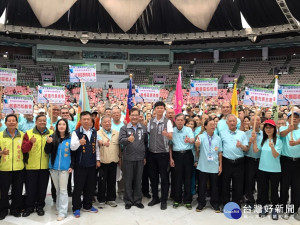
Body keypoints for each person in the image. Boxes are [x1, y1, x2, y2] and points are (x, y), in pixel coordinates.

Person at [21, 115, 53, 217]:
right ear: (36, 122)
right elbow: (24, 149)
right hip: (31, 166)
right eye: (40, 121)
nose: (42, 122)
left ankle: (40, 207)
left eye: (44, 121)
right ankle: (29, 207)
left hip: (45, 166)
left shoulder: (51, 134)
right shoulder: (29, 133)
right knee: (30, 188)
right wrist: (30, 142)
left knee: (42, 188)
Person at [70, 111, 100, 218]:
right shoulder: (76, 133)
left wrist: (97, 159)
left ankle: (87, 205)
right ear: (81, 120)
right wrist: (79, 143)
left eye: (88, 119)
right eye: (84, 119)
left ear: (91, 120)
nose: (86, 121)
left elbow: (96, 148)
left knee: (90, 187)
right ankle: (76, 208)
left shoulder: (94, 132)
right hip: (80, 165)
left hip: (92, 164)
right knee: (78, 188)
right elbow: (72, 147)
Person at [252, 119, 282, 220]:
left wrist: (272, 147)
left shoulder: (278, 140)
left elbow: (276, 155)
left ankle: (275, 209)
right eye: (266, 128)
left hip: (275, 170)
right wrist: (254, 141)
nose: (268, 130)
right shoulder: (263, 140)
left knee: (274, 191)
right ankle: (264, 207)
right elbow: (256, 151)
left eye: (270, 128)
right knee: (262, 190)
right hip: (262, 169)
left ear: (274, 129)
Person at [44, 119, 73, 221]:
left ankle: (62, 212)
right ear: (57, 126)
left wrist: (72, 166)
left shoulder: (70, 138)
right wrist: (48, 143)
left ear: (66, 126)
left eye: (63, 124)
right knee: (58, 190)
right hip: (53, 168)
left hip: (65, 169)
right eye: (59, 124)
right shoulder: (52, 137)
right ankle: (59, 208)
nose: (61, 126)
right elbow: (47, 151)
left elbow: (73, 154)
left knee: (64, 190)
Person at [119, 108, 148, 209]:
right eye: (133, 115)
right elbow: (121, 140)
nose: (135, 117)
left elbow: (145, 143)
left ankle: (137, 200)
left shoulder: (143, 128)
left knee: (138, 180)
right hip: (128, 158)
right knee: (128, 180)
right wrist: (128, 139)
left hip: (140, 158)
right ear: (129, 116)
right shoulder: (124, 128)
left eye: (137, 115)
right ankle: (128, 200)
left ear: (140, 116)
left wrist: (144, 156)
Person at [147, 101, 173, 210]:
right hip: (152, 153)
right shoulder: (150, 121)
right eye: (157, 108)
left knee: (164, 178)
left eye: (161, 108)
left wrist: (166, 134)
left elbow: (171, 137)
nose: (159, 110)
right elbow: (148, 134)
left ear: (164, 109)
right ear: (154, 110)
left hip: (163, 154)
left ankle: (163, 200)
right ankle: (155, 198)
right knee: (153, 177)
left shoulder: (168, 122)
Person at [220, 114, 248, 207]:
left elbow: (246, 149)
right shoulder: (222, 133)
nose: (232, 123)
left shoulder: (242, 134)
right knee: (225, 184)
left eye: (234, 121)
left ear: (237, 123)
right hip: (226, 161)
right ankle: (225, 203)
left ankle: (236, 203)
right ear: (227, 122)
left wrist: (241, 146)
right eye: (230, 121)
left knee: (238, 184)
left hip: (239, 162)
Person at [195, 117, 222, 212]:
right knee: (202, 186)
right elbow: (197, 150)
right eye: (210, 124)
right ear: (205, 126)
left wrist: (220, 165)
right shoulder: (201, 137)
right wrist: (197, 146)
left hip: (214, 166)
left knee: (215, 186)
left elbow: (220, 153)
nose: (213, 126)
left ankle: (215, 203)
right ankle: (201, 203)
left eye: (214, 124)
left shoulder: (218, 138)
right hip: (203, 166)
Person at [0, 115, 25, 220]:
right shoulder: (0, 135)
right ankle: (3, 210)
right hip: (4, 168)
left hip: (19, 168)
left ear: (16, 123)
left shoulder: (22, 135)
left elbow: (27, 149)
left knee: (17, 190)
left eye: (13, 120)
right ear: (5, 123)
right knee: (3, 191)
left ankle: (15, 209)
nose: (11, 122)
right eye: (9, 121)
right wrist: (1, 152)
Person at [170, 114, 195, 210]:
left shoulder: (188, 130)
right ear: (175, 121)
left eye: (181, 120)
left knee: (188, 178)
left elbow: (193, 140)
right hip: (177, 156)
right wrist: (171, 158)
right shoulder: (172, 131)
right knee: (177, 179)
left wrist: (190, 140)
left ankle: (187, 200)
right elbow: (170, 146)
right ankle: (177, 200)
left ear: (184, 121)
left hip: (187, 155)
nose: (180, 121)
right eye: (178, 120)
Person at [279, 112, 300, 220]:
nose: (294, 119)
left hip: (298, 162)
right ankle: (283, 208)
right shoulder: (284, 128)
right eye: (292, 118)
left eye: (296, 118)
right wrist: (289, 130)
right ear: (288, 120)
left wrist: (296, 142)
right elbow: (281, 134)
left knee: (296, 187)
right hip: (286, 161)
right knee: (284, 186)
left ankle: (294, 209)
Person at [97, 116, 121, 208]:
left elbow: (119, 147)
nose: (107, 123)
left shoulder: (116, 133)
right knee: (102, 182)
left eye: (109, 122)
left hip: (113, 161)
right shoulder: (98, 133)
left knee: (112, 181)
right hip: (103, 161)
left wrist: (120, 159)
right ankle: (101, 200)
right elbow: (99, 142)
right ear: (102, 123)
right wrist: (103, 143)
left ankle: (111, 199)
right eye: (105, 122)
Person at [244, 116, 262, 210]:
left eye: (258, 120)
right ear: (250, 122)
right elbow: (244, 149)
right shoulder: (246, 134)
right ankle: (250, 200)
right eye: (253, 120)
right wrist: (250, 142)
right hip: (249, 160)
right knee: (249, 181)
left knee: (261, 182)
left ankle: (260, 200)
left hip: (261, 161)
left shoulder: (265, 134)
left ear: (260, 122)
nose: (256, 121)